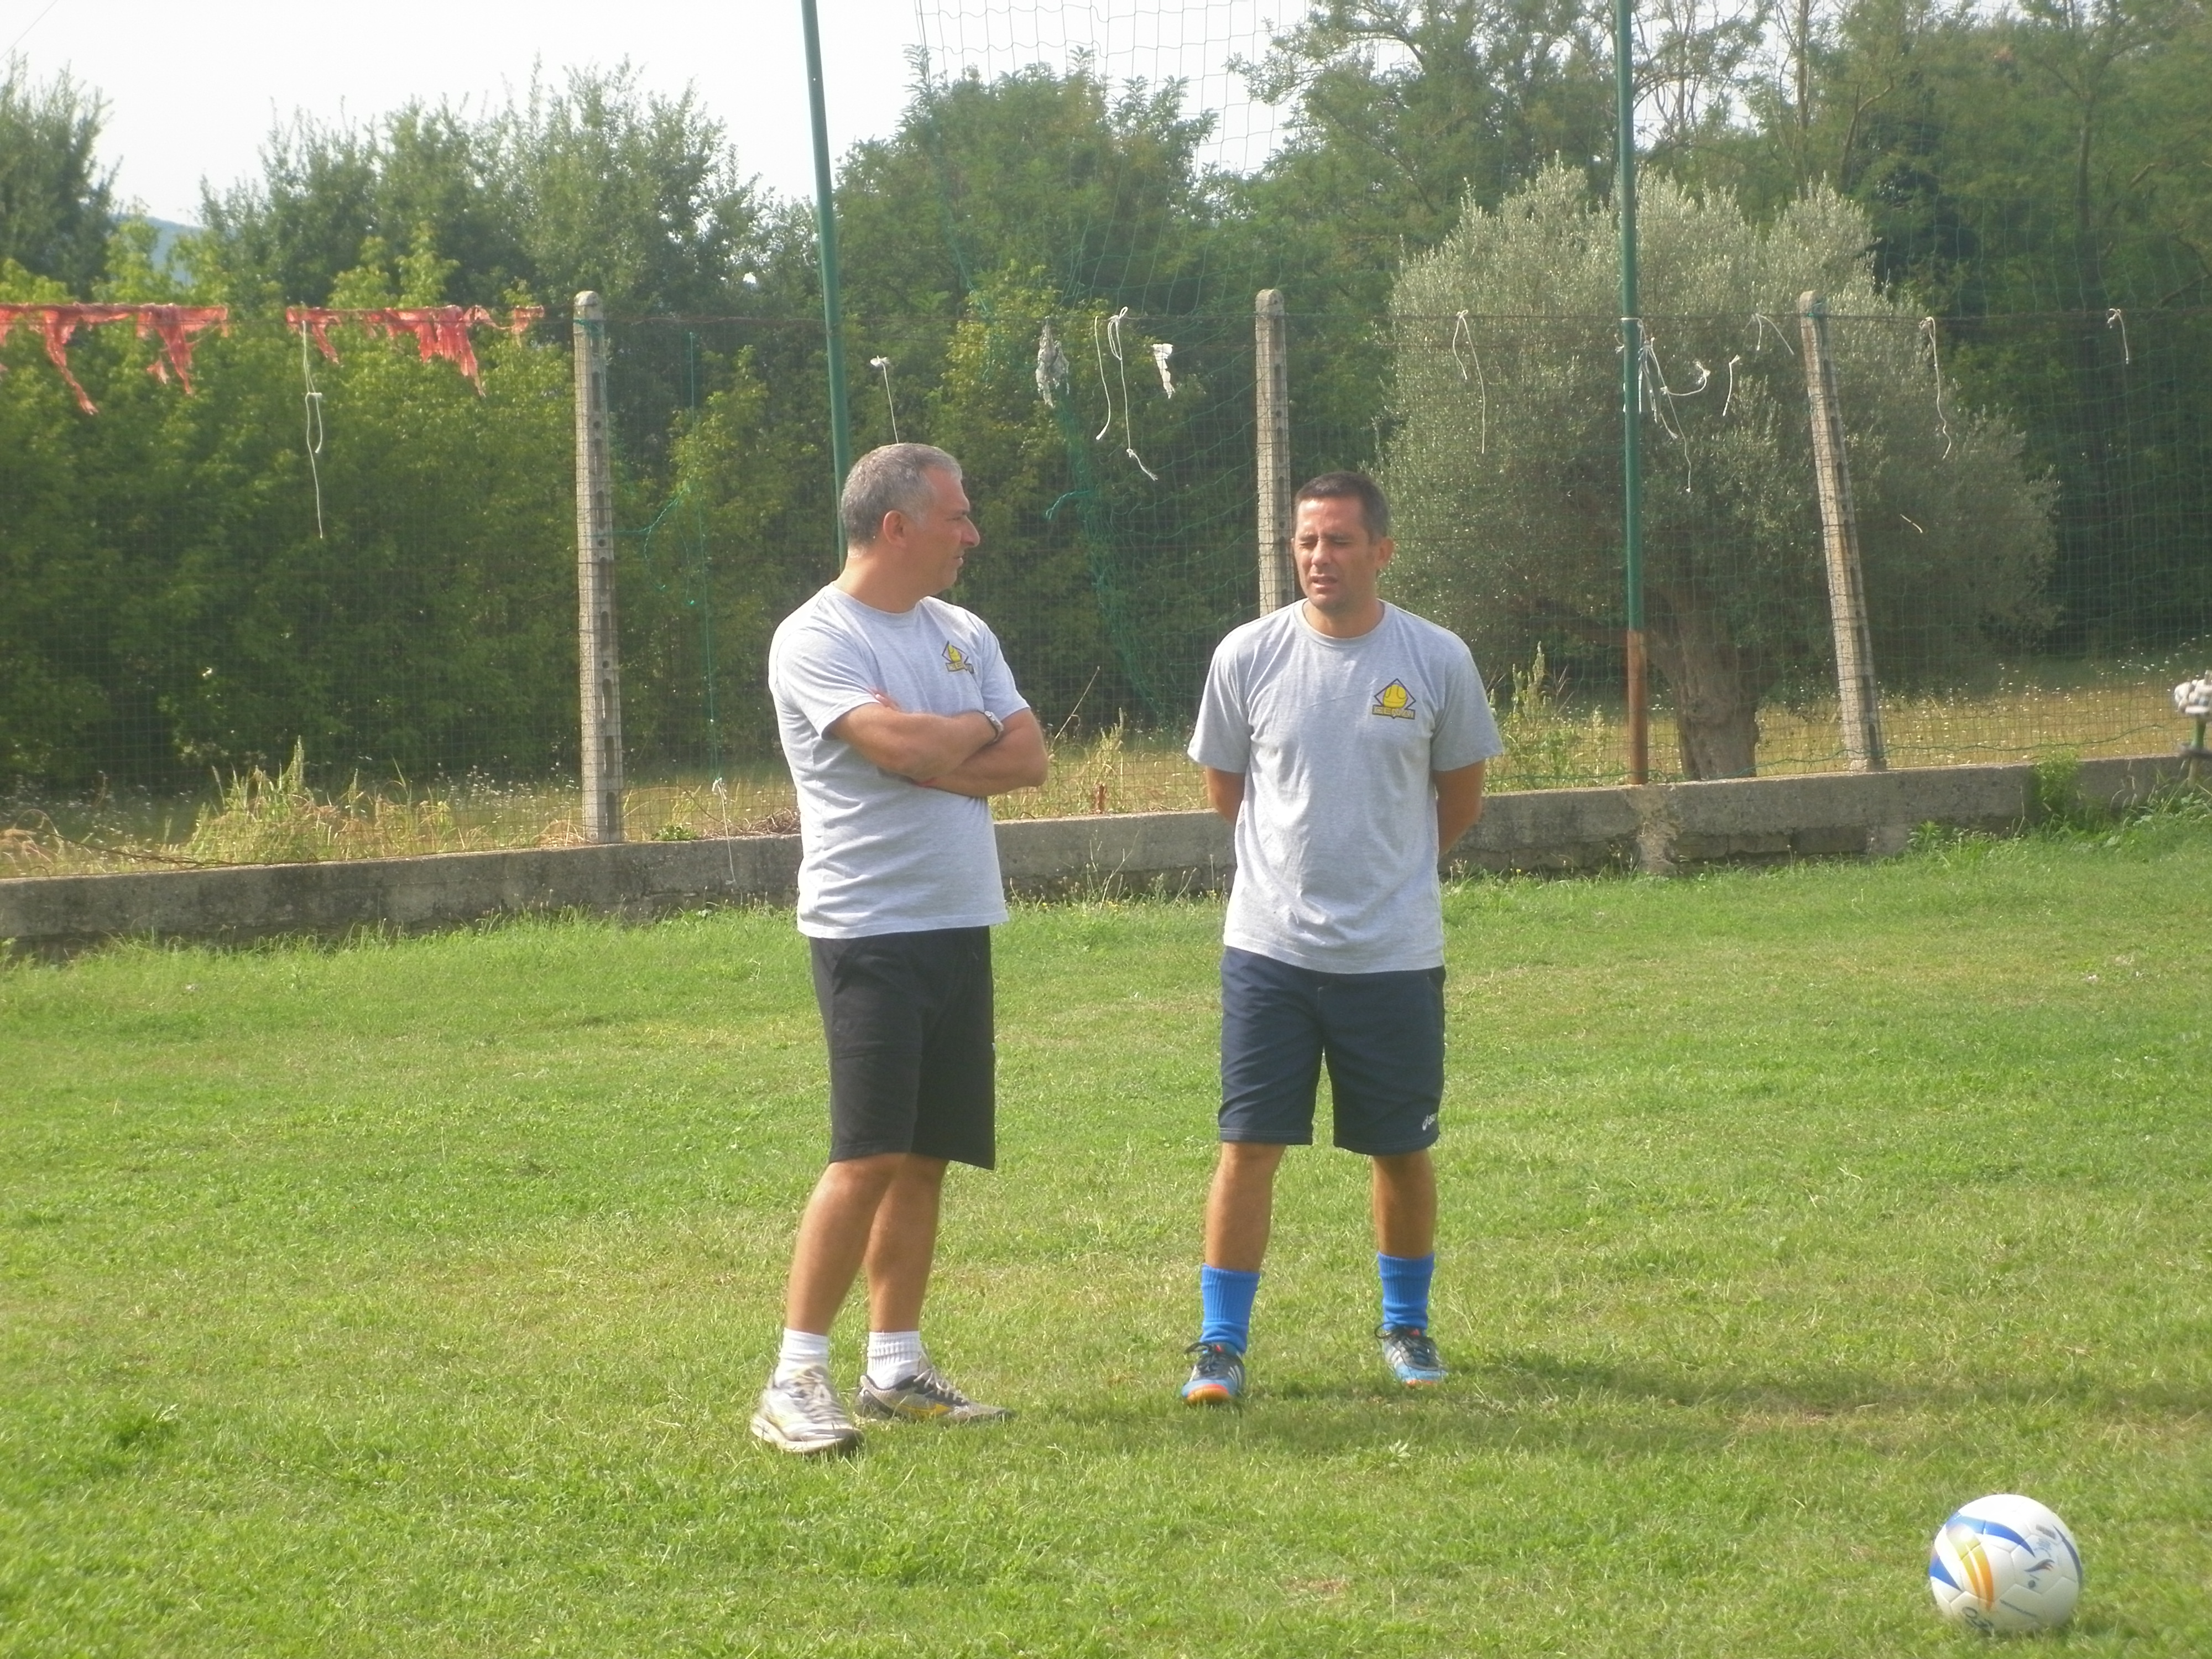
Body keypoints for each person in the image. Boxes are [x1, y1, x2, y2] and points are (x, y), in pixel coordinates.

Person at [1180, 469, 1503, 1405]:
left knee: (1400, 1150)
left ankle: (1407, 1327)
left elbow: (1460, 797)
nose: (1320, 558)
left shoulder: (1436, 658)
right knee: (1248, 1145)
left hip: (1393, 956)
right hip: (1269, 952)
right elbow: (1228, 792)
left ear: (1382, 551)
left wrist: (1389, 875)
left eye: (1340, 541)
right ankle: (1220, 1347)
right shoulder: (1247, 655)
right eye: (1307, 541)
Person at [751, 442, 1048, 1455]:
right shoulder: (816, 637)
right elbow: (908, 748)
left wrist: (935, 747)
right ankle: (794, 1378)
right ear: (896, 527)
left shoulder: (963, 631)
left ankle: (895, 1367)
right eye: (957, 516)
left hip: (958, 923)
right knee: (867, 1155)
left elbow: (1031, 759)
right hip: (868, 931)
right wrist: (959, 736)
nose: (973, 534)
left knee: (926, 1158)